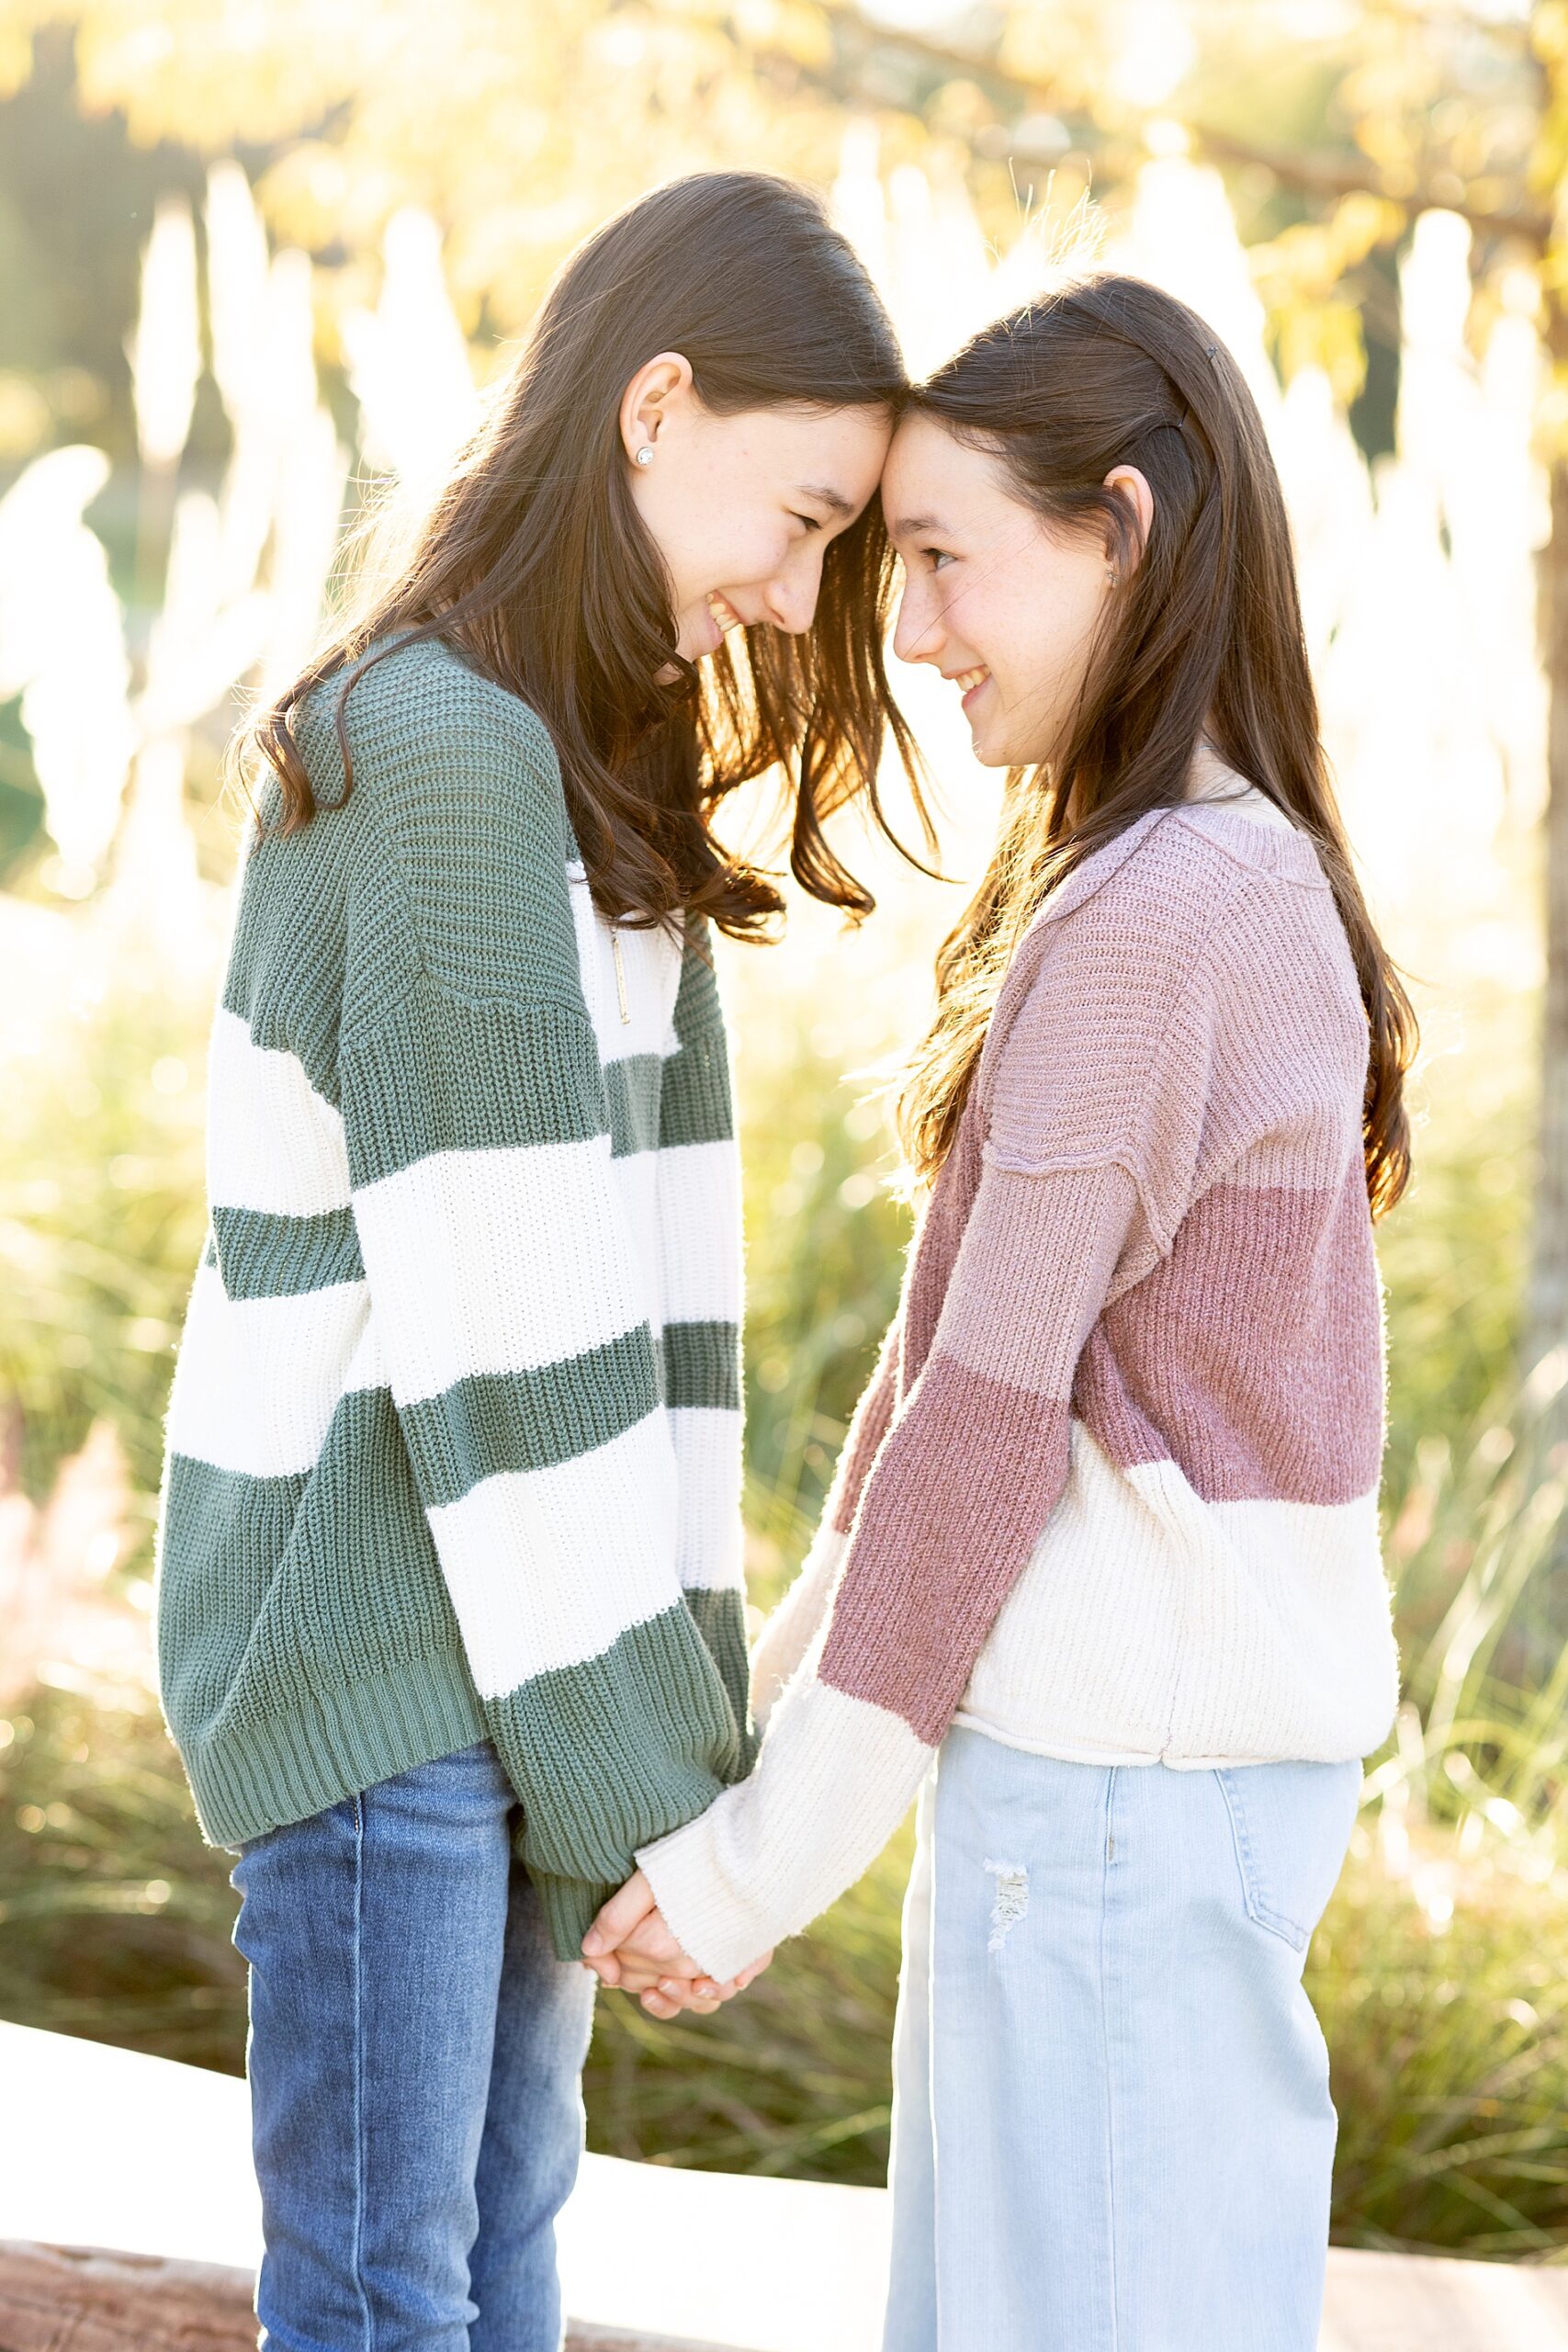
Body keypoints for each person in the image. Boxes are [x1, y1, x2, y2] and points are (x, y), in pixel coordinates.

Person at [584, 272, 1416, 2352]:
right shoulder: (1198, 883)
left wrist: (758, 1861)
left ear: (1119, 528)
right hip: (1123, 1800)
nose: (917, 626)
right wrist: (746, 1767)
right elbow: (920, 1417)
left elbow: (974, 1428)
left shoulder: (1164, 916)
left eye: (949, 559)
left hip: (1114, 1812)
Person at [153, 170, 920, 2352]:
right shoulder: (435, 751)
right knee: (397, 2302)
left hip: (515, 1658)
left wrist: (651, 1756)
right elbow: (513, 1340)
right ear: (653, 406)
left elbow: (651, 1332)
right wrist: (668, 1810)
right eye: (792, 518)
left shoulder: (583, 774)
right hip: (387, 1661)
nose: (792, 594)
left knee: (495, 2285)